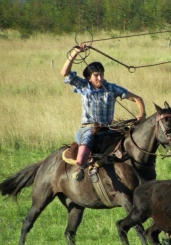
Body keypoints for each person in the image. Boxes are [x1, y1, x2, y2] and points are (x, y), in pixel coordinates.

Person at [61, 44, 146, 182]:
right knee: (88, 138)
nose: (100, 78)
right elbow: (65, 73)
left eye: (101, 74)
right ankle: (80, 167)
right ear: (89, 78)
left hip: (108, 128)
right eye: (96, 75)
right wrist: (76, 52)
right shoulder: (82, 86)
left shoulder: (111, 88)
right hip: (88, 128)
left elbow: (137, 98)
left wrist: (141, 114)